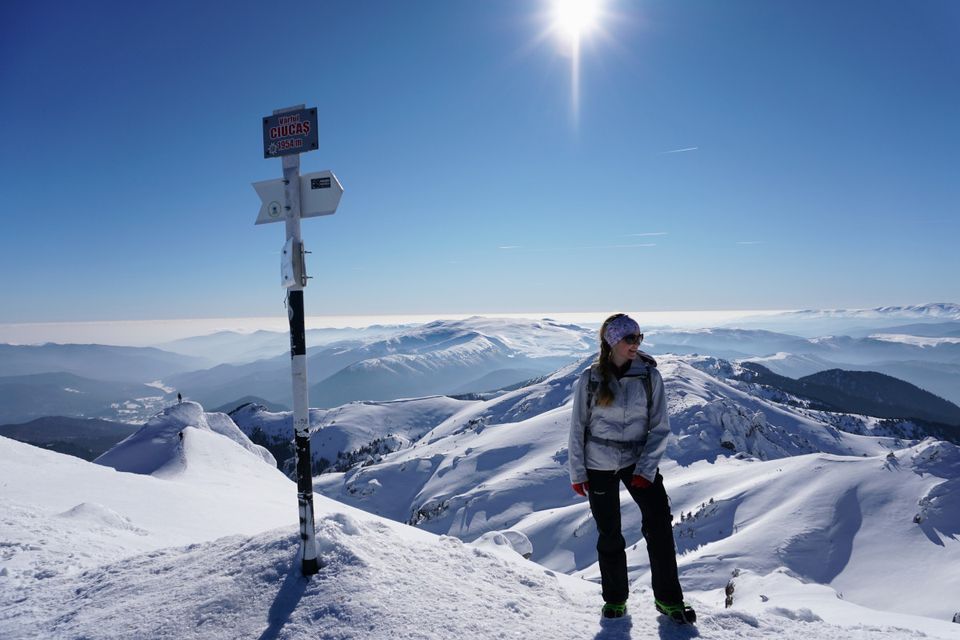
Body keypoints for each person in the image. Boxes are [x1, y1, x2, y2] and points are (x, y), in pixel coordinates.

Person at [568, 313, 695, 623]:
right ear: (613, 341)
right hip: (598, 462)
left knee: (660, 527)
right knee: (609, 532)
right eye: (630, 338)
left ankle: (668, 599)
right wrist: (578, 472)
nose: (636, 344)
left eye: (639, 337)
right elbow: (577, 428)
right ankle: (615, 600)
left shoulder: (649, 377)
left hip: (638, 461)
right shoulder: (591, 379)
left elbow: (660, 427)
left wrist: (646, 468)